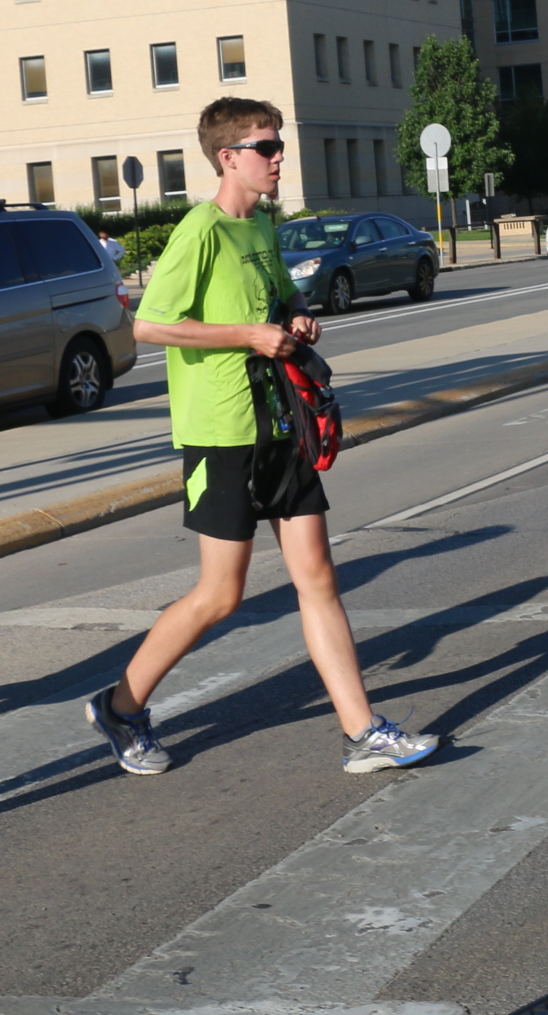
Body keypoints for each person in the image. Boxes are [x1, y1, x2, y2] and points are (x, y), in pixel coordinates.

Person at [83, 99, 439, 778]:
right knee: (221, 596)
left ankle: (362, 732)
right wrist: (247, 335)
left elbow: (283, 298)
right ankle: (120, 707)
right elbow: (148, 325)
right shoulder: (202, 229)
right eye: (266, 147)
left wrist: (297, 318)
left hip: (279, 423)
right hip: (221, 434)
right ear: (229, 157)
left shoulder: (260, 226)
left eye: (279, 147)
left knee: (319, 578)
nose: (279, 158)